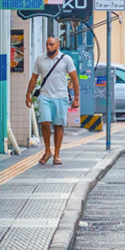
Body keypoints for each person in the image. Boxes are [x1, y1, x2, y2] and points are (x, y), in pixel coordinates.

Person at [25, 35, 79, 166]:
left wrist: (76, 97)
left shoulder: (66, 59)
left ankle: (57, 154)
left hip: (61, 96)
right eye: (47, 44)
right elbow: (34, 78)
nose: (49, 47)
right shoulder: (40, 59)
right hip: (45, 96)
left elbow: (74, 78)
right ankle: (47, 151)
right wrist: (28, 94)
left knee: (58, 125)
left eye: (51, 44)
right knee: (44, 123)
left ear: (58, 45)